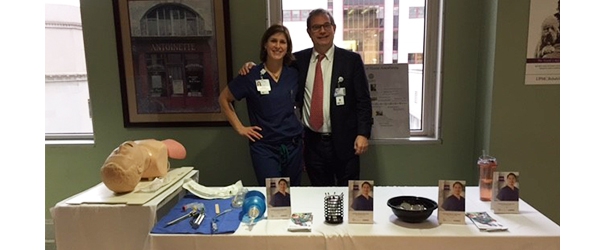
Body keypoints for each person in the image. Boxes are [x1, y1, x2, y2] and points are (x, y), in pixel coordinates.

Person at [240, 9, 373, 186]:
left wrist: (363, 134)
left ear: (334, 28)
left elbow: (363, 101)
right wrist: (251, 67)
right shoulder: (298, 61)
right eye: (316, 27)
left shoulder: (351, 60)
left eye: (326, 26)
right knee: (318, 193)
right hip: (313, 143)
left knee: (349, 194)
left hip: (345, 141)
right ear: (309, 32)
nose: (322, 31)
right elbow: (273, 64)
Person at [219, 24, 303, 187]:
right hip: (265, 148)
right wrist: (240, 128)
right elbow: (224, 98)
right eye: (273, 41)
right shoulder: (250, 74)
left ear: (288, 47)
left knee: (294, 194)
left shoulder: (293, 74)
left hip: (293, 145)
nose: (278, 46)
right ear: (265, 44)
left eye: (282, 42)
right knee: (274, 196)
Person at [100, 139, 187, 193]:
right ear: (140, 167)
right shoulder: (158, 155)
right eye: (124, 154)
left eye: (115, 152)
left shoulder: (136, 146)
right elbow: (181, 151)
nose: (121, 147)